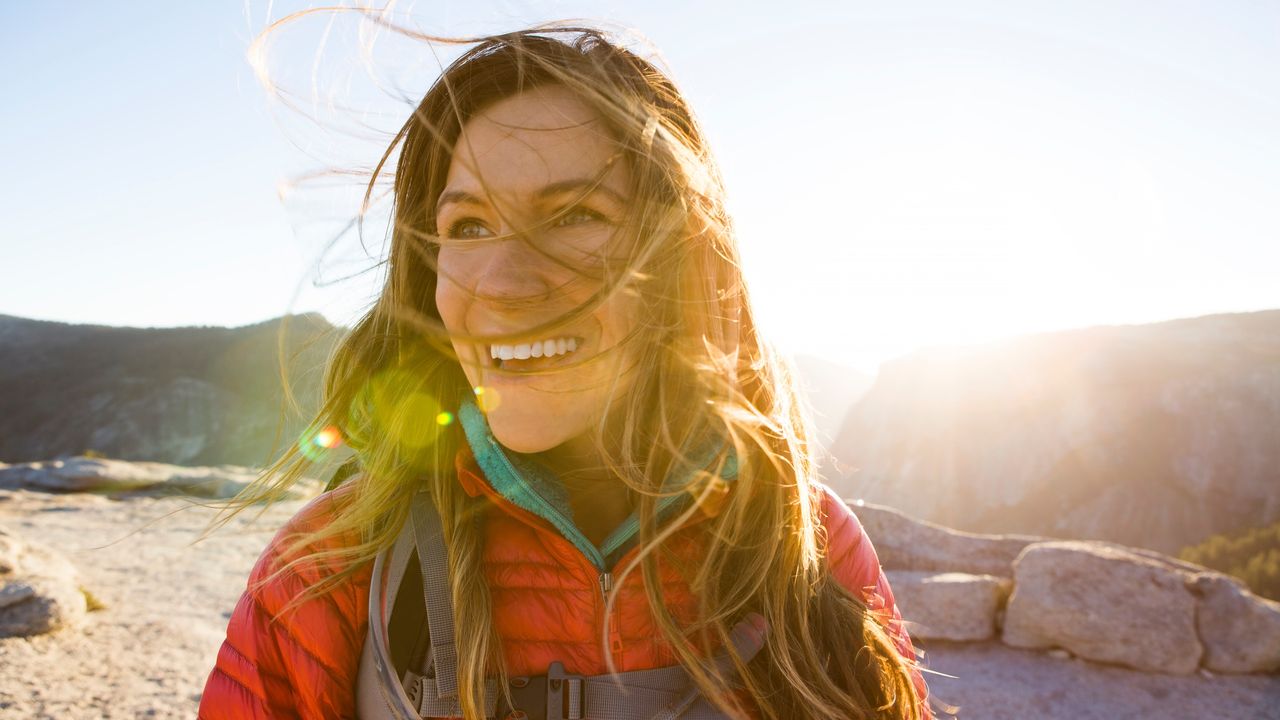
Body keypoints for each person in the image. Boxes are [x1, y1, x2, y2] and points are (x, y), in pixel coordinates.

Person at [199, 25, 934, 720]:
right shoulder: (334, 561)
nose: (504, 283)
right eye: (469, 226)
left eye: (576, 215)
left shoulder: (805, 543)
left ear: (681, 254)